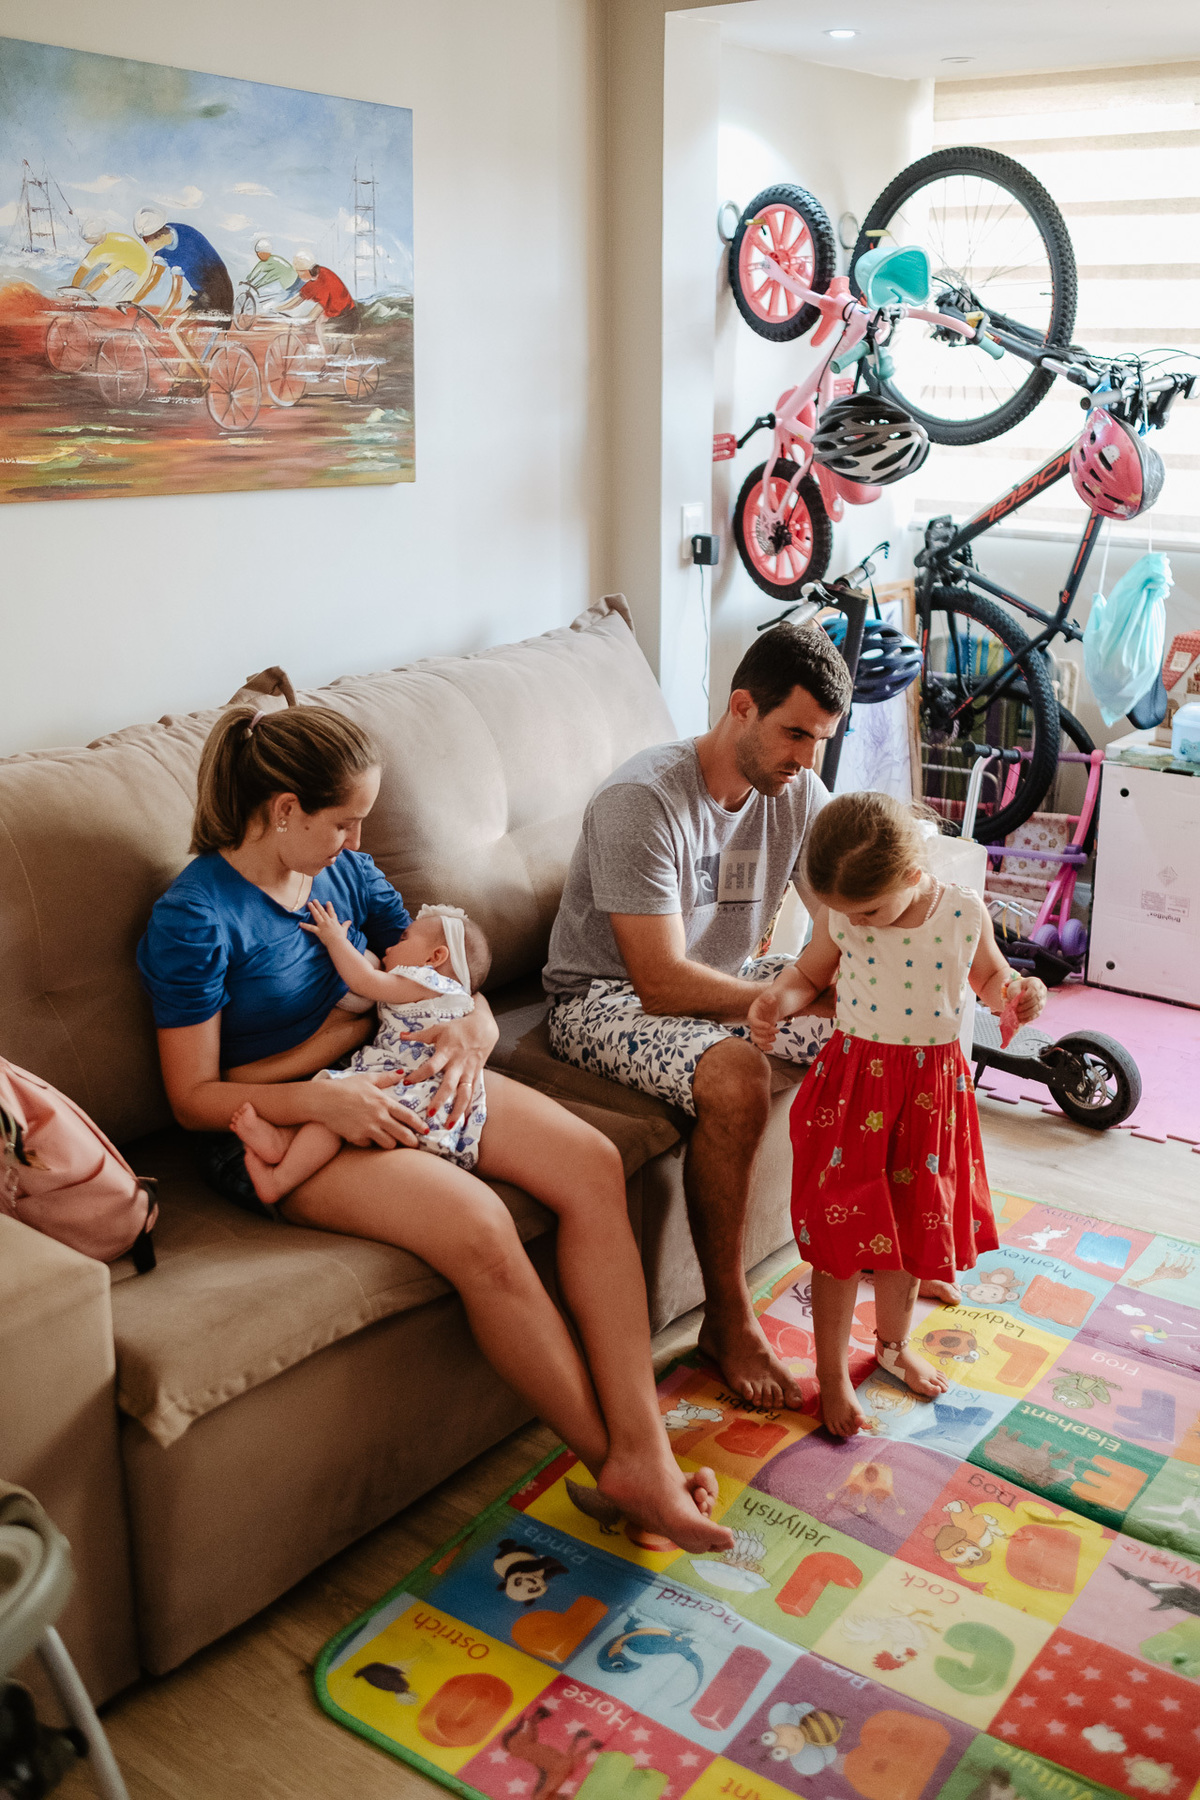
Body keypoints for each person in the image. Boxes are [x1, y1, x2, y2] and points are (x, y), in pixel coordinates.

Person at [136, 702, 730, 1555]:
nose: (356, 839)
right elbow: (192, 1097)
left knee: (592, 1164)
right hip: (277, 1124)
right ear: (282, 812)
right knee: (479, 1229)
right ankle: (628, 1471)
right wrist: (321, 1099)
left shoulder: (343, 875)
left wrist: (475, 1026)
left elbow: (440, 966)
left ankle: (644, 1452)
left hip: (399, 1067)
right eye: (342, 821)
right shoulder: (194, 917)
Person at [545, 623, 876, 1414]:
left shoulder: (796, 793)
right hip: (601, 997)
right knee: (737, 1073)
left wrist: (862, 975)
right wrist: (788, 994)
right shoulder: (643, 801)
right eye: (795, 733)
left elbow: (840, 919)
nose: (806, 759)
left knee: (880, 1021)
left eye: (821, 741)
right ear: (740, 707)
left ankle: (874, 1241)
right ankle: (726, 1321)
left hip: (720, 979)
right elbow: (657, 983)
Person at [746, 790, 1047, 1437]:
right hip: (856, 1090)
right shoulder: (846, 913)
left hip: (930, 1095)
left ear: (914, 876)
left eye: (871, 910)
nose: (861, 924)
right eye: (846, 913)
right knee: (839, 1239)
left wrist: (1017, 996)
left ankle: (891, 1345)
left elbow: (992, 983)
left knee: (909, 1232)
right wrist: (780, 997)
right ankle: (829, 1376)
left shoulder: (963, 914)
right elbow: (807, 974)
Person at [230, 898, 492, 1201]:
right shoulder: (451, 995)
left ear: (435, 957)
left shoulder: (427, 981)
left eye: (404, 938)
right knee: (337, 1111)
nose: (389, 948)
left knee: (338, 1110)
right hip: (417, 1083)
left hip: (410, 1082)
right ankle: (284, 1143)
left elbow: (365, 980)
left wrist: (334, 939)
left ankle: (280, 1178)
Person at [134, 205, 234, 378]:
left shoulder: (185, 244)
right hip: (200, 291)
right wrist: (133, 301)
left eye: (148, 240)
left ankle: (203, 379)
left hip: (218, 291)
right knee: (184, 335)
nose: (148, 246)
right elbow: (152, 280)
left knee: (175, 331)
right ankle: (182, 378)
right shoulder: (165, 243)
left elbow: (176, 292)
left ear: (159, 233)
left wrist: (160, 320)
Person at [280, 251, 359, 355]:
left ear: (307, 270)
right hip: (335, 315)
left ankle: (330, 363)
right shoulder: (314, 278)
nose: (298, 276)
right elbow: (299, 298)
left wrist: (301, 321)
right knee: (320, 325)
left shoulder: (325, 280)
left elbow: (316, 311)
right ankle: (328, 361)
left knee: (321, 328)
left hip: (347, 318)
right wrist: (278, 309)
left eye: (299, 272)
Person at [70, 217, 154, 304]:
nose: (87, 241)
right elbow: (84, 268)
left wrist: (86, 294)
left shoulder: (118, 245)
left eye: (88, 239)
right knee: (97, 269)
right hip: (124, 261)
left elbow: (104, 276)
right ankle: (85, 297)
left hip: (135, 268)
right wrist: (74, 289)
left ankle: (100, 303)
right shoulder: (99, 246)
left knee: (108, 292)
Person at [243, 236, 301, 305]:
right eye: (259, 253)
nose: (260, 255)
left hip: (291, 285)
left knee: (272, 303)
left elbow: (269, 277)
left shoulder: (272, 262)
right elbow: (253, 274)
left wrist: (256, 285)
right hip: (295, 281)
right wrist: (248, 281)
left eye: (261, 253)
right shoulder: (268, 261)